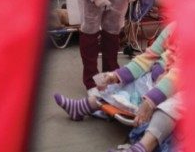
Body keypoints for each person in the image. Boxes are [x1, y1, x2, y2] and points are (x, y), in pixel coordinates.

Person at [54, 22, 182, 152]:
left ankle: (142, 147)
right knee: (122, 81)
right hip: (153, 81)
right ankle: (83, 106)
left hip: (180, 89)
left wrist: (151, 100)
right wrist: (115, 76)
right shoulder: (174, 27)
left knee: (171, 106)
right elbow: (147, 58)